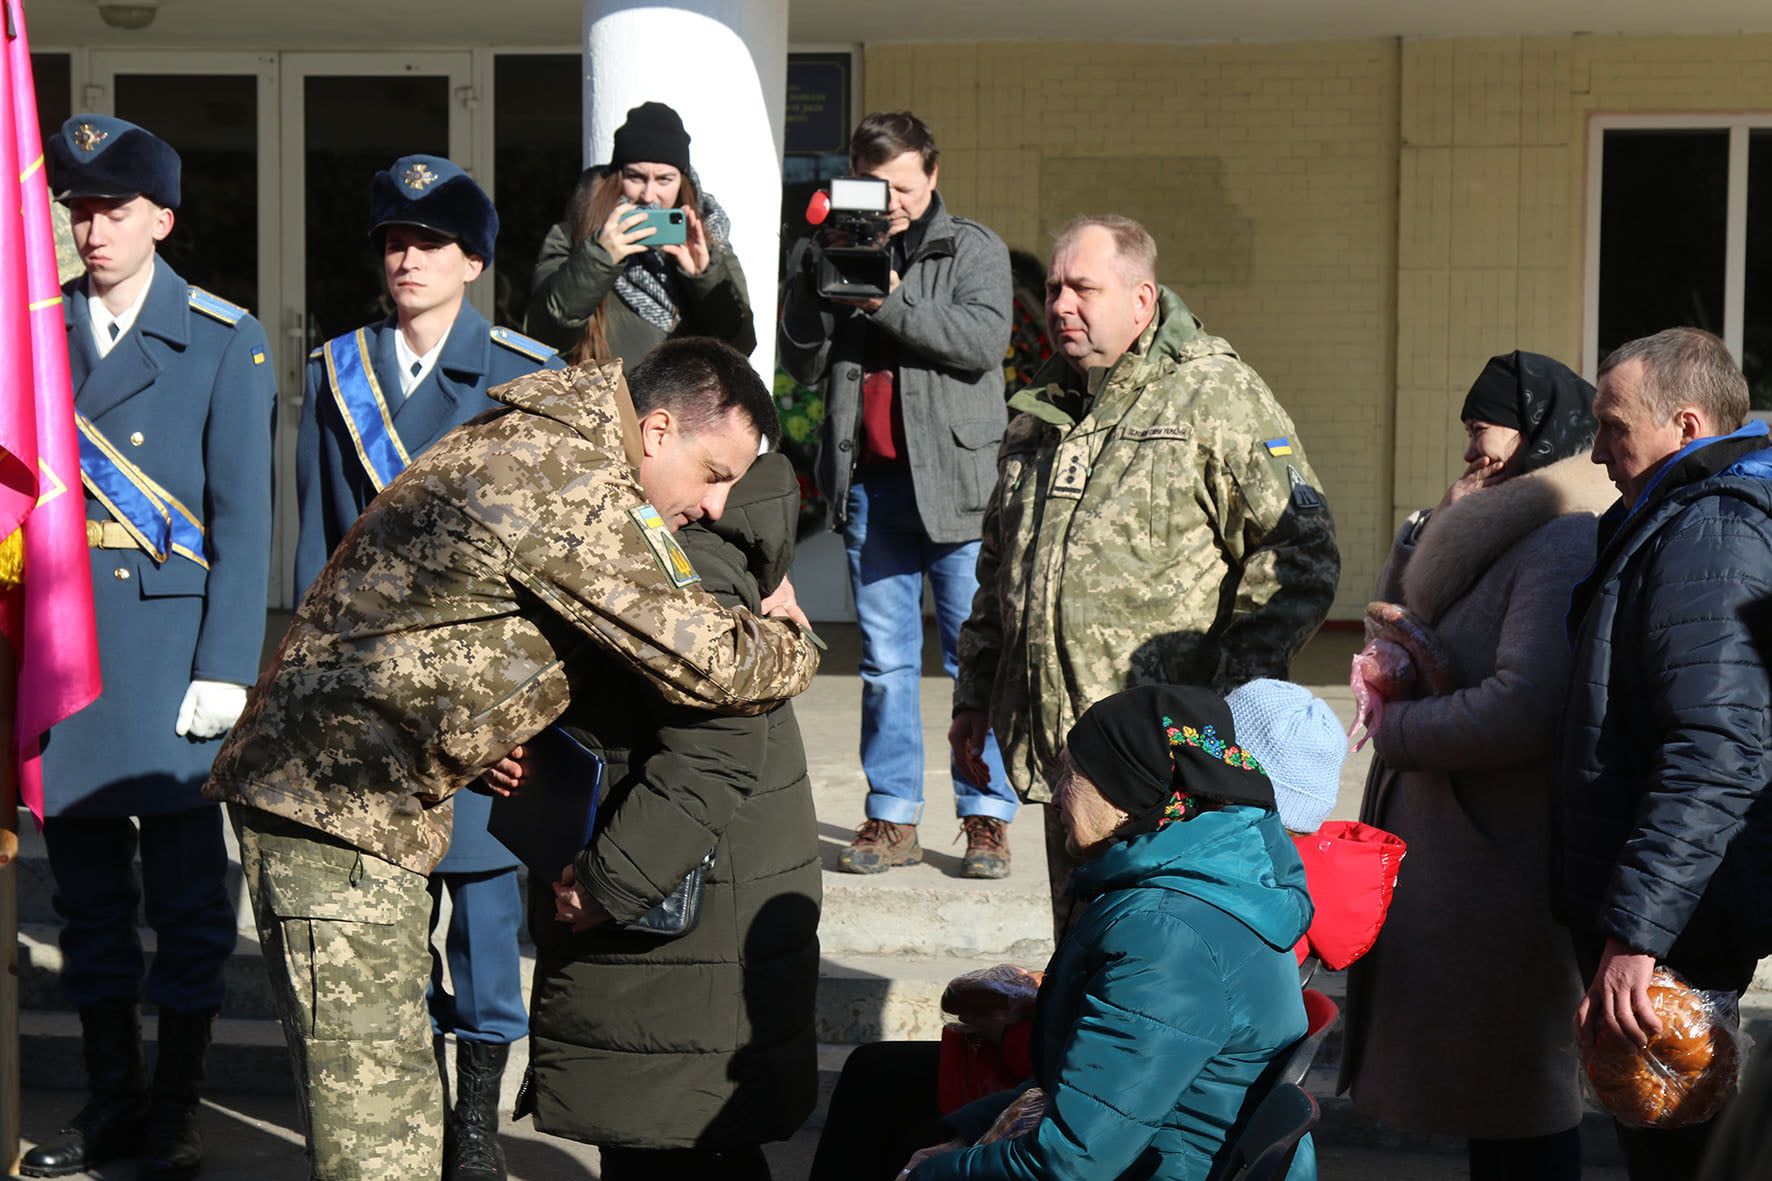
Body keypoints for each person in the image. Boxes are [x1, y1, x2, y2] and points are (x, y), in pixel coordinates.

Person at [205, 339, 821, 1181]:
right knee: (379, 1151)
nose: (716, 505)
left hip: (361, 805)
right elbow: (710, 661)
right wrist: (795, 637)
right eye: (713, 471)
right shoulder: (564, 473)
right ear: (658, 429)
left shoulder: (548, 441)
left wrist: (496, 728)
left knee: (400, 1138)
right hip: (334, 807)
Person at [292, 152, 565, 1181]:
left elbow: (553, 564)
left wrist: (530, 713)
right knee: (382, 926)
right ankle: (403, 1122)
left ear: (474, 259)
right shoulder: (337, 372)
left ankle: (476, 1132)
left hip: (485, 705)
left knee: (487, 930)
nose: (406, 258)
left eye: (428, 242)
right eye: (393, 243)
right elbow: (322, 546)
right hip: (372, 710)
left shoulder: (523, 374)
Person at [951, 214, 1339, 932]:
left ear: (1142, 298)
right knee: (1081, 959)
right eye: (1054, 288)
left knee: (1154, 966)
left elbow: (1303, 553)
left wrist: (1224, 707)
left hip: (1170, 770)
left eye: (1082, 288)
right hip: (1071, 762)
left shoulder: (1212, 396)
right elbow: (1001, 569)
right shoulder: (1041, 410)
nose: (1060, 304)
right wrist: (975, 695)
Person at [22, 115, 276, 1181]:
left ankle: (175, 1105)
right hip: (70, 658)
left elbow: (244, 520)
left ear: (162, 219)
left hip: (175, 661)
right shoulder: (30, 334)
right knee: (86, 912)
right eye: (77, 209)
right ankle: (109, 1099)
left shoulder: (223, 336)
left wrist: (227, 668)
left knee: (186, 911)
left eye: (113, 210)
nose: (91, 229)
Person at [809, 685, 1316, 1181]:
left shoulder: (1166, 936)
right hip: (1142, 1144)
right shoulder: (1210, 876)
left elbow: (1074, 1160)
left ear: (1128, 792)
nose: (1054, 798)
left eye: (1072, 775)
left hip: (1154, 1164)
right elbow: (1087, 1090)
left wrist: (934, 1171)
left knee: (892, 1129)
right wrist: (965, 1134)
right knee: (877, 1081)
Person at [1334, 351, 1609, 1180]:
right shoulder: (1487, 524)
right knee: (1494, 1103)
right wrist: (1429, 529)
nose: (1470, 451)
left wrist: (1404, 730)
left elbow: (1526, 702)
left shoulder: (1562, 535)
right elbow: (1397, 624)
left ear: (1533, 431)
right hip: (1457, 846)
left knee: (1523, 1098)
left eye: (1481, 430)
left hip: (1504, 854)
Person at [525, 452, 820, 1181]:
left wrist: (607, 885)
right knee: (687, 1139)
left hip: (672, 907)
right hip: (695, 906)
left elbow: (711, 752)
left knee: (672, 1141)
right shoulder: (714, 545)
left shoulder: (686, 558)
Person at [779, 110, 1018, 879]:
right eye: (874, 186)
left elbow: (981, 342)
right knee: (884, 662)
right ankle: (892, 815)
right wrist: (809, 278)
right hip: (872, 487)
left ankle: (985, 816)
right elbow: (804, 364)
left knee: (972, 658)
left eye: (905, 187)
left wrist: (887, 298)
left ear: (933, 176)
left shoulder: (972, 247)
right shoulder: (837, 245)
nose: (890, 203)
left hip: (957, 485)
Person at [1559, 327, 1772, 1181]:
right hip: (1661, 910)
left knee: (1681, 1153)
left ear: (1686, 426)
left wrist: (1638, 932)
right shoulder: (1674, 519)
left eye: (1614, 426)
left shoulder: (1712, 532)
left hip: (1675, 924)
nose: (1600, 450)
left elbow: (1718, 745)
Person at [524, 101, 755, 369]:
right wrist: (599, 257)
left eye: (664, 179)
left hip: (686, 408)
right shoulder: (574, 236)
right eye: (636, 177)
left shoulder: (708, 240)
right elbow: (543, 335)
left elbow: (740, 346)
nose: (648, 195)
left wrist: (703, 277)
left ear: (683, 181)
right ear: (617, 177)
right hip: (603, 408)